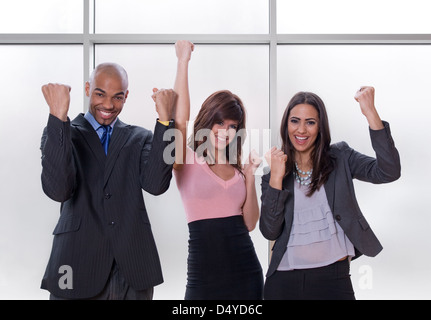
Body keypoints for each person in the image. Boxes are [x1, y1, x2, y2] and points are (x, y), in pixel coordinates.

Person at [39, 62, 177, 300]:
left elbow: (156, 185)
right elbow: (58, 189)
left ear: (126, 96)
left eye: (117, 97)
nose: (108, 105)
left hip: (132, 269)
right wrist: (57, 116)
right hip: (75, 263)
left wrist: (165, 121)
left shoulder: (140, 137)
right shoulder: (63, 132)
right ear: (87, 88)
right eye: (100, 94)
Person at [260, 87, 401, 300]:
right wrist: (276, 179)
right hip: (283, 281)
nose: (301, 130)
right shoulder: (273, 174)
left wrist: (370, 112)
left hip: (334, 278)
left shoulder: (340, 157)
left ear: (320, 127)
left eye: (310, 122)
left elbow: (388, 171)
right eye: (295, 121)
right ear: (286, 124)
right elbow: (270, 231)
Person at [171, 40, 264, 300]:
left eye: (233, 126)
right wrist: (183, 62)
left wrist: (249, 177)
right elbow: (179, 119)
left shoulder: (238, 171)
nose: (225, 131)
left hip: (247, 275)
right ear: (208, 120)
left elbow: (250, 223)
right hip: (204, 279)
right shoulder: (186, 160)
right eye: (219, 122)